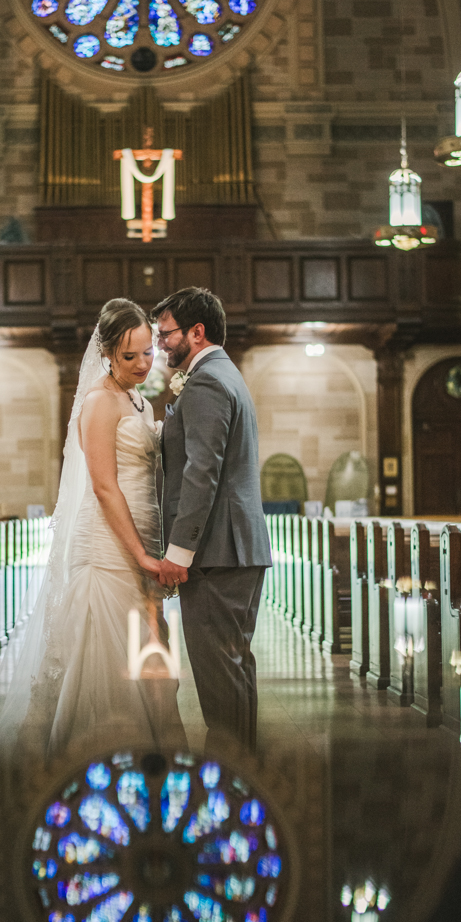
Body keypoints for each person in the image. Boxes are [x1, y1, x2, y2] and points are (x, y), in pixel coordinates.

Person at [0, 298, 185, 760]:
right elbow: (105, 488)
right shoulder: (99, 403)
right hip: (107, 544)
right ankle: (99, 756)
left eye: (149, 352)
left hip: (144, 536)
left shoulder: (140, 402)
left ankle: (154, 753)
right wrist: (143, 556)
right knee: (105, 657)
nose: (143, 364)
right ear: (106, 353)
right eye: (130, 357)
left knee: (149, 650)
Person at [152, 287, 271, 752]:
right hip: (234, 549)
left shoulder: (206, 382)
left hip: (217, 553)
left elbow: (202, 471)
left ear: (196, 332)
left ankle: (228, 772)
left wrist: (178, 554)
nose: (161, 344)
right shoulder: (225, 375)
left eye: (166, 334)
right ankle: (243, 769)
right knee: (234, 665)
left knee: (219, 674)